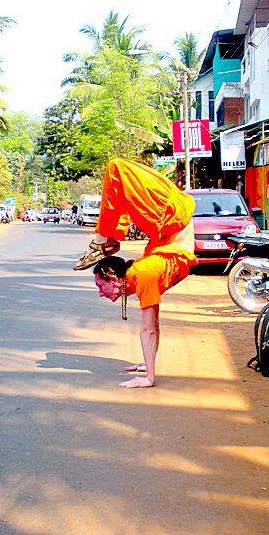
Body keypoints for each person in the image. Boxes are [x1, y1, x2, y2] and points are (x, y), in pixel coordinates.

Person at [73, 158, 197, 388]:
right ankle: (108, 237)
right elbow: (155, 325)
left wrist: (148, 378)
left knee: (116, 168)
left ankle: (106, 238)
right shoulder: (142, 272)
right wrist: (147, 363)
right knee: (118, 180)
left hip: (170, 219)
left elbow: (149, 330)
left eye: (101, 286)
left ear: (113, 277)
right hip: (165, 231)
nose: (101, 294)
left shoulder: (141, 273)